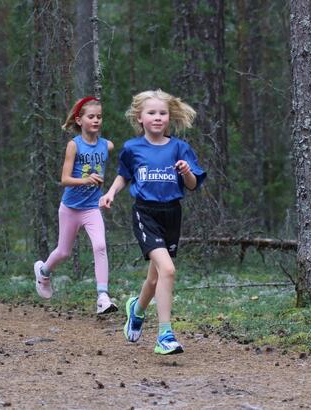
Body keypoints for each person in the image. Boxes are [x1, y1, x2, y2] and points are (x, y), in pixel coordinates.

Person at [99, 89, 206, 355]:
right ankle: (165, 335)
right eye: (152, 113)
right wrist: (111, 193)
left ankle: (136, 310)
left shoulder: (180, 148)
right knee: (168, 270)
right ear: (140, 117)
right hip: (145, 213)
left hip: (171, 214)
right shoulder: (133, 148)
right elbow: (125, 175)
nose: (158, 118)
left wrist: (186, 172)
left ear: (169, 117)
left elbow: (192, 185)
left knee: (156, 277)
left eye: (163, 113)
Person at [33, 96, 118, 315]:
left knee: (100, 246)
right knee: (63, 252)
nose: (96, 120)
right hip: (70, 208)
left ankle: (102, 297)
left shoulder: (106, 145)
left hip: (91, 208)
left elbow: (113, 148)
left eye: (99, 117)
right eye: (91, 117)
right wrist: (86, 180)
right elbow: (64, 179)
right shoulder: (74, 145)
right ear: (79, 120)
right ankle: (43, 272)